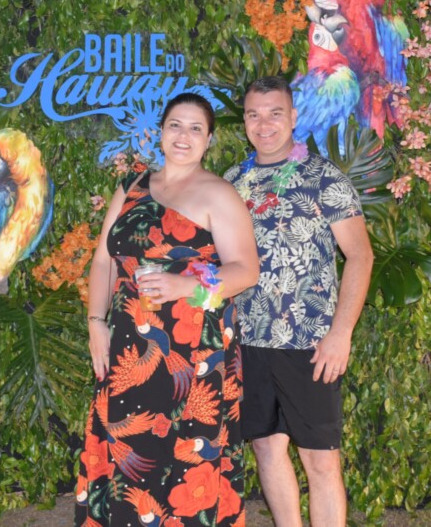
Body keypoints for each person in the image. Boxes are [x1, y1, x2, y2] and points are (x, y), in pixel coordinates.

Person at [75, 92, 260, 527]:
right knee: (126, 447)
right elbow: (103, 261)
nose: (184, 136)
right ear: (160, 132)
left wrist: (185, 285)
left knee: (182, 457)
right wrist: (96, 322)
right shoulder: (131, 187)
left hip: (192, 349)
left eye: (196, 128)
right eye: (176, 125)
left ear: (208, 140)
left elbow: (246, 271)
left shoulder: (219, 194)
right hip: (127, 342)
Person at [223, 77, 373, 527]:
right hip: (249, 341)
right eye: (254, 115)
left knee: (321, 460)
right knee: (267, 449)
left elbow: (360, 256)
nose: (263, 124)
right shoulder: (232, 182)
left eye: (274, 113)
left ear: (292, 117)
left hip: (310, 343)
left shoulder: (324, 178)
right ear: (245, 121)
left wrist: (341, 334)